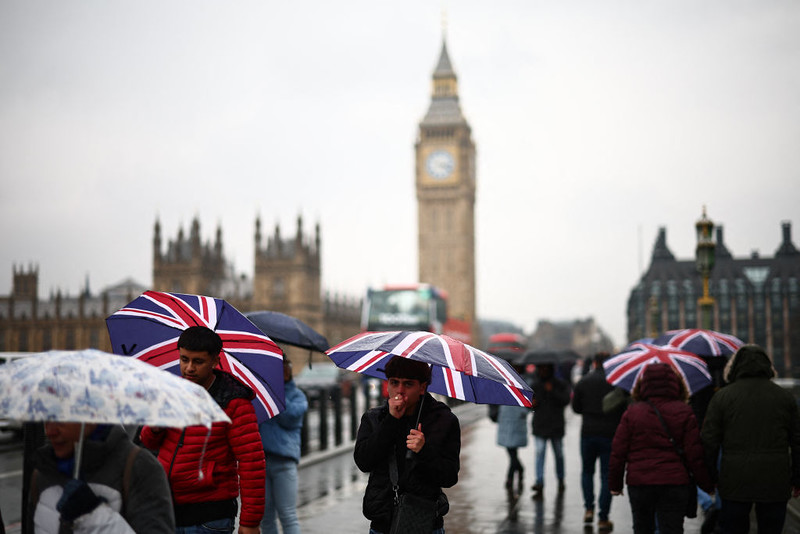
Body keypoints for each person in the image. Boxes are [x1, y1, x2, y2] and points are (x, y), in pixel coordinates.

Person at [140, 326, 266, 534]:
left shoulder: (234, 403)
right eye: (184, 359)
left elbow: (252, 462)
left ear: (216, 361)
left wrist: (250, 522)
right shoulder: (173, 393)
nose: (189, 368)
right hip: (166, 511)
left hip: (209, 517)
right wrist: (154, 427)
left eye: (198, 362)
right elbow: (149, 442)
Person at [354, 356, 460, 534]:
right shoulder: (374, 418)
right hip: (382, 523)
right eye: (394, 382)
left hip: (424, 522)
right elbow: (364, 461)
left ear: (422, 387)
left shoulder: (443, 420)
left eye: (408, 384)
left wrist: (424, 451)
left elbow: (449, 477)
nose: (399, 390)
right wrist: (390, 422)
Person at [701, 344, 800, 534]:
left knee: (734, 528)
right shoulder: (784, 398)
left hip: (734, 480)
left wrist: (710, 477)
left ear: (736, 367)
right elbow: (797, 441)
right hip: (775, 480)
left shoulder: (722, 397)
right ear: (768, 366)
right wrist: (797, 478)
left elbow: (709, 441)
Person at [609, 363, 714, 534]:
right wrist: (707, 484)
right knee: (672, 529)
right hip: (674, 483)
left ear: (643, 383)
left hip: (640, 483)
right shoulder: (684, 411)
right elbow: (694, 454)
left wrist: (615, 483)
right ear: (675, 383)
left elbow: (618, 451)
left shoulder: (633, 412)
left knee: (643, 529)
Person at [26, 422, 174, 533]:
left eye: (62, 418)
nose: (50, 431)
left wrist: (94, 515)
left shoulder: (139, 467)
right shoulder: (42, 473)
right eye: (47, 417)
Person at [572, 351, 623, 531]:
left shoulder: (584, 381)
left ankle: (588, 508)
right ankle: (603, 517)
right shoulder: (616, 382)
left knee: (587, 472)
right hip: (609, 434)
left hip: (588, 432)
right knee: (605, 475)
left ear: (594, 363)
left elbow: (576, 408)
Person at [259, 358, 308, 534]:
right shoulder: (262, 393)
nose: (283, 373)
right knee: (266, 517)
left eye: (285, 368)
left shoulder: (297, 395)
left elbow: (291, 416)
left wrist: (274, 395)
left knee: (288, 515)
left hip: (284, 463)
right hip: (262, 462)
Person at [528, 361, 571, 500]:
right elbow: (530, 405)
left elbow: (565, 401)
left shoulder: (560, 384)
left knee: (559, 454)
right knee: (540, 453)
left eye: (546, 368)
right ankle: (539, 482)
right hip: (540, 425)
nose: (544, 370)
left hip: (556, 425)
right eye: (541, 368)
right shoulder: (534, 385)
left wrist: (552, 391)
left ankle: (561, 479)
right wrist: (532, 404)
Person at [495, 397, 530, 494]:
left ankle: (510, 478)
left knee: (512, 453)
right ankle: (520, 470)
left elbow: (528, 408)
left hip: (515, 424)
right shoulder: (513, 392)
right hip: (508, 424)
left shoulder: (517, 393)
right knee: (513, 454)